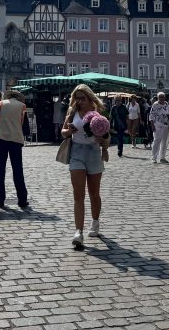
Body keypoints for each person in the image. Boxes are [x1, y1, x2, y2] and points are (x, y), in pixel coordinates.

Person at [62, 84, 109, 247]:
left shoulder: (97, 114)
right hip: (77, 153)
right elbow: (63, 131)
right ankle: (78, 232)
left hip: (94, 153)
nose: (79, 101)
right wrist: (69, 131)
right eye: (77, 98)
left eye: (82, 98)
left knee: (94, 193)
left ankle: (95, 222)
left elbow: (107, 136)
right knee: (78, 194)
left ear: (90, 99)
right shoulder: (72, 111)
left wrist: (102, 141)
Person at [0, 89, 29, 209]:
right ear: (18, 98)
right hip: (16, 139)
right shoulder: (22, 106)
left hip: (1, 138)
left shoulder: (1, 104)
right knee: (18, 169)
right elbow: (22, 123)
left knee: (0, 169)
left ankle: (0, 200)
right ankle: (22, 199)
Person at [148, 91, 169, 164]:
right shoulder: (155, 104)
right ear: (157, 98)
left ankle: (162, 157)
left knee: (165, 142)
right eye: (160, 97)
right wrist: (152, 125)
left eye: (163, 97)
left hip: (166, 125)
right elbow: (151, 115)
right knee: (156, 141)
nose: (161, 98)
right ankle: (154, 157)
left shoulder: (167, 104)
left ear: (165, 97)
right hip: (157, 125)